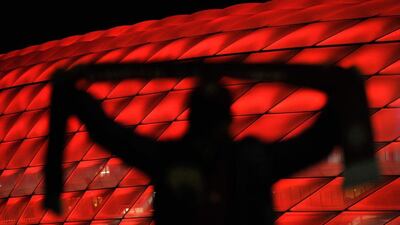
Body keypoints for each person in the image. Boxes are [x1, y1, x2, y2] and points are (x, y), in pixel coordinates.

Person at [45, 62, 379, 225]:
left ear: (190, 117)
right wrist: (342, 97)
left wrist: (75, 98)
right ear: (228, 119)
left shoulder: (167, 158)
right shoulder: (254, 160)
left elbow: (109, 133)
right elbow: (316, 143)